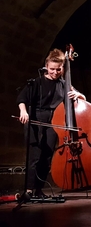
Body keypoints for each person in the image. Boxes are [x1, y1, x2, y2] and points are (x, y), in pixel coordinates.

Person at [16, 48, 86, 200]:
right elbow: (22, 99)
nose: (55, 72)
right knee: (34, 156)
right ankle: (28, 190)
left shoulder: (64, 85)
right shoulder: (36, 82)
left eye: (59, 69)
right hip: (35, 118)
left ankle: (39, 190)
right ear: (46, 66)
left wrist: (80, 95)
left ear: (63, 68)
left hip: (54, 120)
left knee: (47, 157)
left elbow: (82, 99)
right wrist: (23, 111)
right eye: (52, 69)